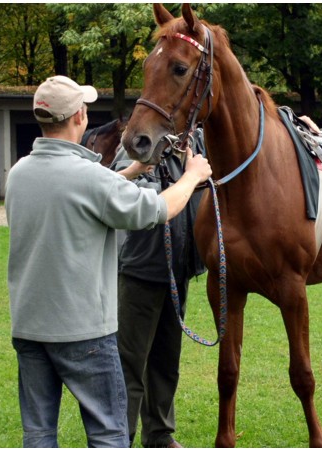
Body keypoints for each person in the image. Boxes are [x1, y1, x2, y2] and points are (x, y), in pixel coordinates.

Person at [5, 75, 211, 448]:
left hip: (29, 329)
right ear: (80, 117)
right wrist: (193, 176)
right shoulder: (89, 178)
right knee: (108, 435)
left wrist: (130, 173)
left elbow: (82, 190)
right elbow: (158, 209)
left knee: (37, 434)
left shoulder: (18, 174)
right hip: (84, 333)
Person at [110, 134, 206, 448]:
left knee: (166, 359)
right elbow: (132, 198)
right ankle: (120, 436)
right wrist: (189, 177)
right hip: (140, 272)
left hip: (177, 273)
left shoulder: (193, 150)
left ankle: (159, 433)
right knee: (131, 361)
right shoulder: (139, 145)